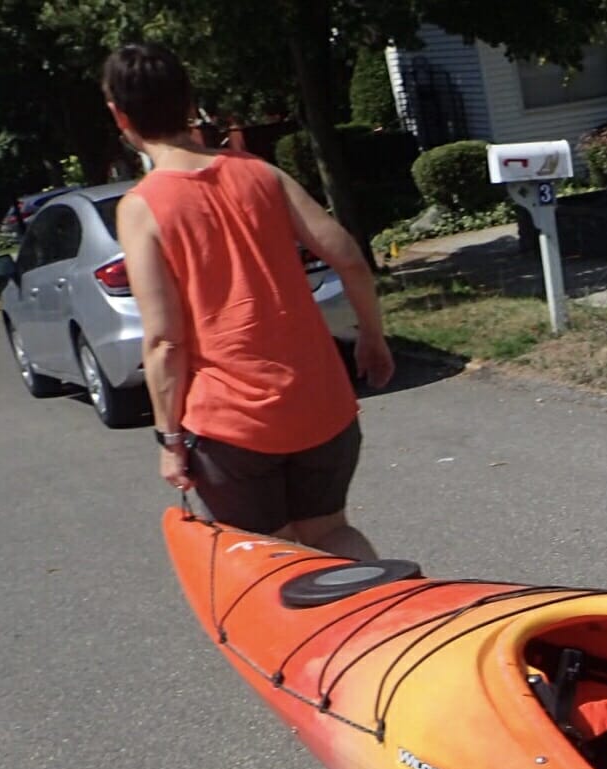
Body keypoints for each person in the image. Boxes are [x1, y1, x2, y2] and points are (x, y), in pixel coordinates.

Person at [102, 42, 393, 558]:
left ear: (119, 114)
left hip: (233, 427)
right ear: (189, 99)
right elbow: (348, 256)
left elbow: (165, 339)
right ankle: (387, 622)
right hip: (321, 405)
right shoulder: (260, 173)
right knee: (331, 533)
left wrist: (170, 442)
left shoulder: (142, 208)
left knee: (274, 559)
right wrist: (372, 336)